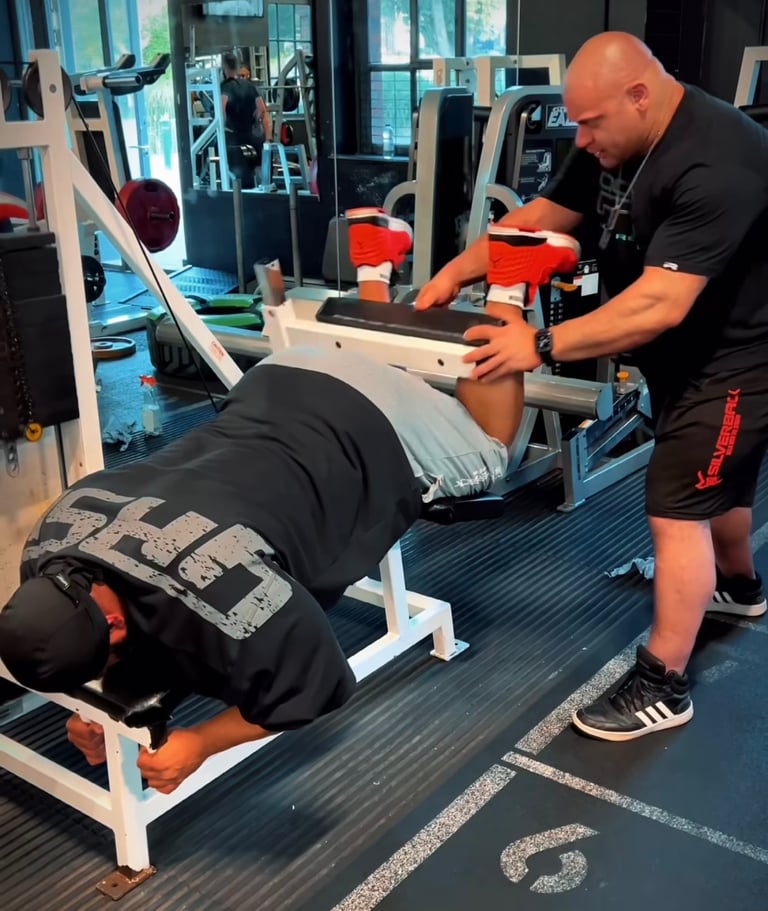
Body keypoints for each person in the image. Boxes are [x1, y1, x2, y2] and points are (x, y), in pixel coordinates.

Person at [0, 210, 577, 793]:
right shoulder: (49, 538)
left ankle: (510, 281)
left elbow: (320, 684)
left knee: (492, 451)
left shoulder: (232, 589)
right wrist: (95, 710)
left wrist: (200, 743)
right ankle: (372, 261)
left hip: (374, 419)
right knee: (373, 371)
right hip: (282, 375)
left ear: (113, 625)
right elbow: (147, 611)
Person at [416, 31, 768, 742]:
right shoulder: (616, 139)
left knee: (676, 502)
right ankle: (737, 587)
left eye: (591, 122)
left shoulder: (718, 160)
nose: (580, 138)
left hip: (739, 357)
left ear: (638, 95)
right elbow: (538, 221)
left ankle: (663, 684)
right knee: (714, 482)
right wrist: (454, 271)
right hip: (686, 351)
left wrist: (539, 344)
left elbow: (658, 304)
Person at [220, 51, 272, 187]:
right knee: (259, 176)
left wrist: (222, 126)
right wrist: (268, 139)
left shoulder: (224, 87)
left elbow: (221, 111)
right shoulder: (249, 86)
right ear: (237, 68)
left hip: (235, 141)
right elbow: (262, 110)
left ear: (224, 68)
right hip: (253, 140)